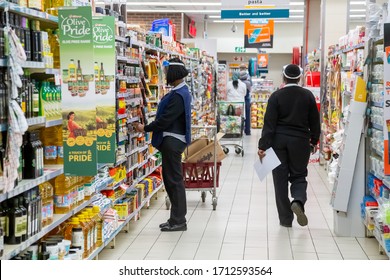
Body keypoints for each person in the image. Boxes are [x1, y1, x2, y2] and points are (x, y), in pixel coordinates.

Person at [257, 64, 320, 228]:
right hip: (300, 141)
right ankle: (298, 201)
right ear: (299, 78)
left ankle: (285, 220)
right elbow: (315, 121)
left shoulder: (276, 96)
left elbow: (269, 124)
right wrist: (314, 140)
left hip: (278, 142)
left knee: (280, 181)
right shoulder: (308, 96)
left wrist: (263, 145)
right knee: (299, 175)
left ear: (284, 77)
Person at [134, 58, 191, 232]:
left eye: (167, 72)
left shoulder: (179, 95)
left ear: (174, 73)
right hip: (173, 140)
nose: (165, 75)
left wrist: (146, 128)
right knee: (171, 180)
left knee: (174, 181)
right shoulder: (180, 91)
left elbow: (165, 120)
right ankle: (175, 218)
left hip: (173, 141)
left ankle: (179, 220)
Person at [239, 69, 252, 135]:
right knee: (247, 115)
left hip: (240, 99)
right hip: (247, 100)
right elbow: (249, 91)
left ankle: (239, 130)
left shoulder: (239, 83)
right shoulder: (248, 83)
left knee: (239, 116)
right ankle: (247, 131)